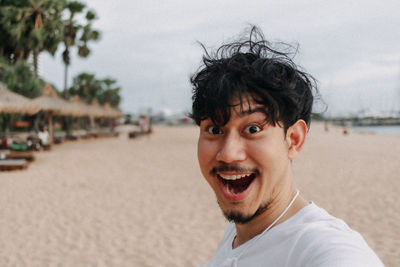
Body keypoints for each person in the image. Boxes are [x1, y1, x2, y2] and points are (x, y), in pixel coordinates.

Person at [190, 26, 383, 267]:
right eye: (215, 130)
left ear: (293, 140)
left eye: (252, 129)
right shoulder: (239, 231)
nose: (228, 153)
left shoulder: (322, 248)